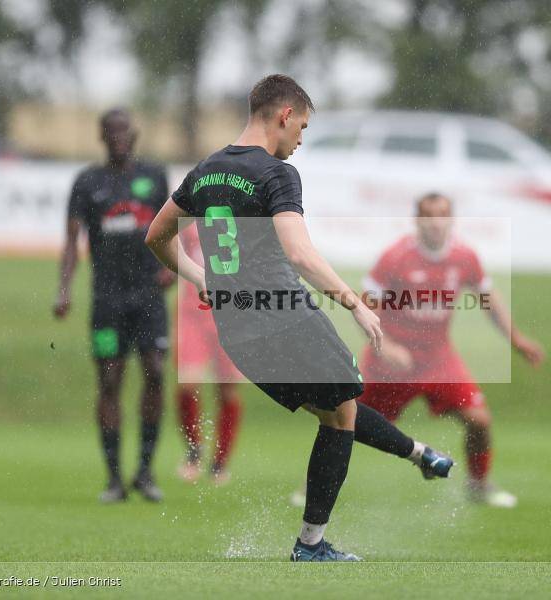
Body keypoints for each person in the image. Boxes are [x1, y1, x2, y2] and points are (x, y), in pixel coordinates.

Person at [145, 74, 454, 562]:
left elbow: (156, 236)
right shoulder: (277, 174)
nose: (301, 139)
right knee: (341, 410)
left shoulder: (205, 170)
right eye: (303, 127)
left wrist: (200, 276)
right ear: (285, 115)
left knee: (337, 408)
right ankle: (311, 544)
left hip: (237, 331)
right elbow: (300, 254)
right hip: (285, 318)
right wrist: (354, 303)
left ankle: (418, 453)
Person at [358, 192, 545, 507]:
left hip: (438, 360)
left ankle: (478, 486)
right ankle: (311, 487)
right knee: (345, 421)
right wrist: (384, 346)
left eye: (442, 214)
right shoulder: (395, 257)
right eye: (428, 215)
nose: (436, 222)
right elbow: (365, 305)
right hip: (391, 364)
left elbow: (489, 299)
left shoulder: (464, 257)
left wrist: (517, 339)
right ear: (417, 220)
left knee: (479, 421)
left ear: (452, 219)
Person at [53, 108, 173, 503]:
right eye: (111, 131)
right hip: (108, 301)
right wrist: (64, 289)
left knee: (156, 372)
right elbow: (72, 240)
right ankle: (114, 479)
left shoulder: (154, 177)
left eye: (124, 130)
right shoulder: (88, 182)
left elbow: (171, 225)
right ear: (101, 137)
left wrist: (172, 266)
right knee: (108, 380)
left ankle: (145, 471)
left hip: (149, 296)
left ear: (134, 135)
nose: (119, 137)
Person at [175, 225, 243, 485]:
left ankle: (220, 462)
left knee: (228, 390)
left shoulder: (245, 216)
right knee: (187, 382)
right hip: (193, 311)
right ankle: (194, 450)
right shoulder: (190, 214)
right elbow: (170, 245)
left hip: (231, 315)